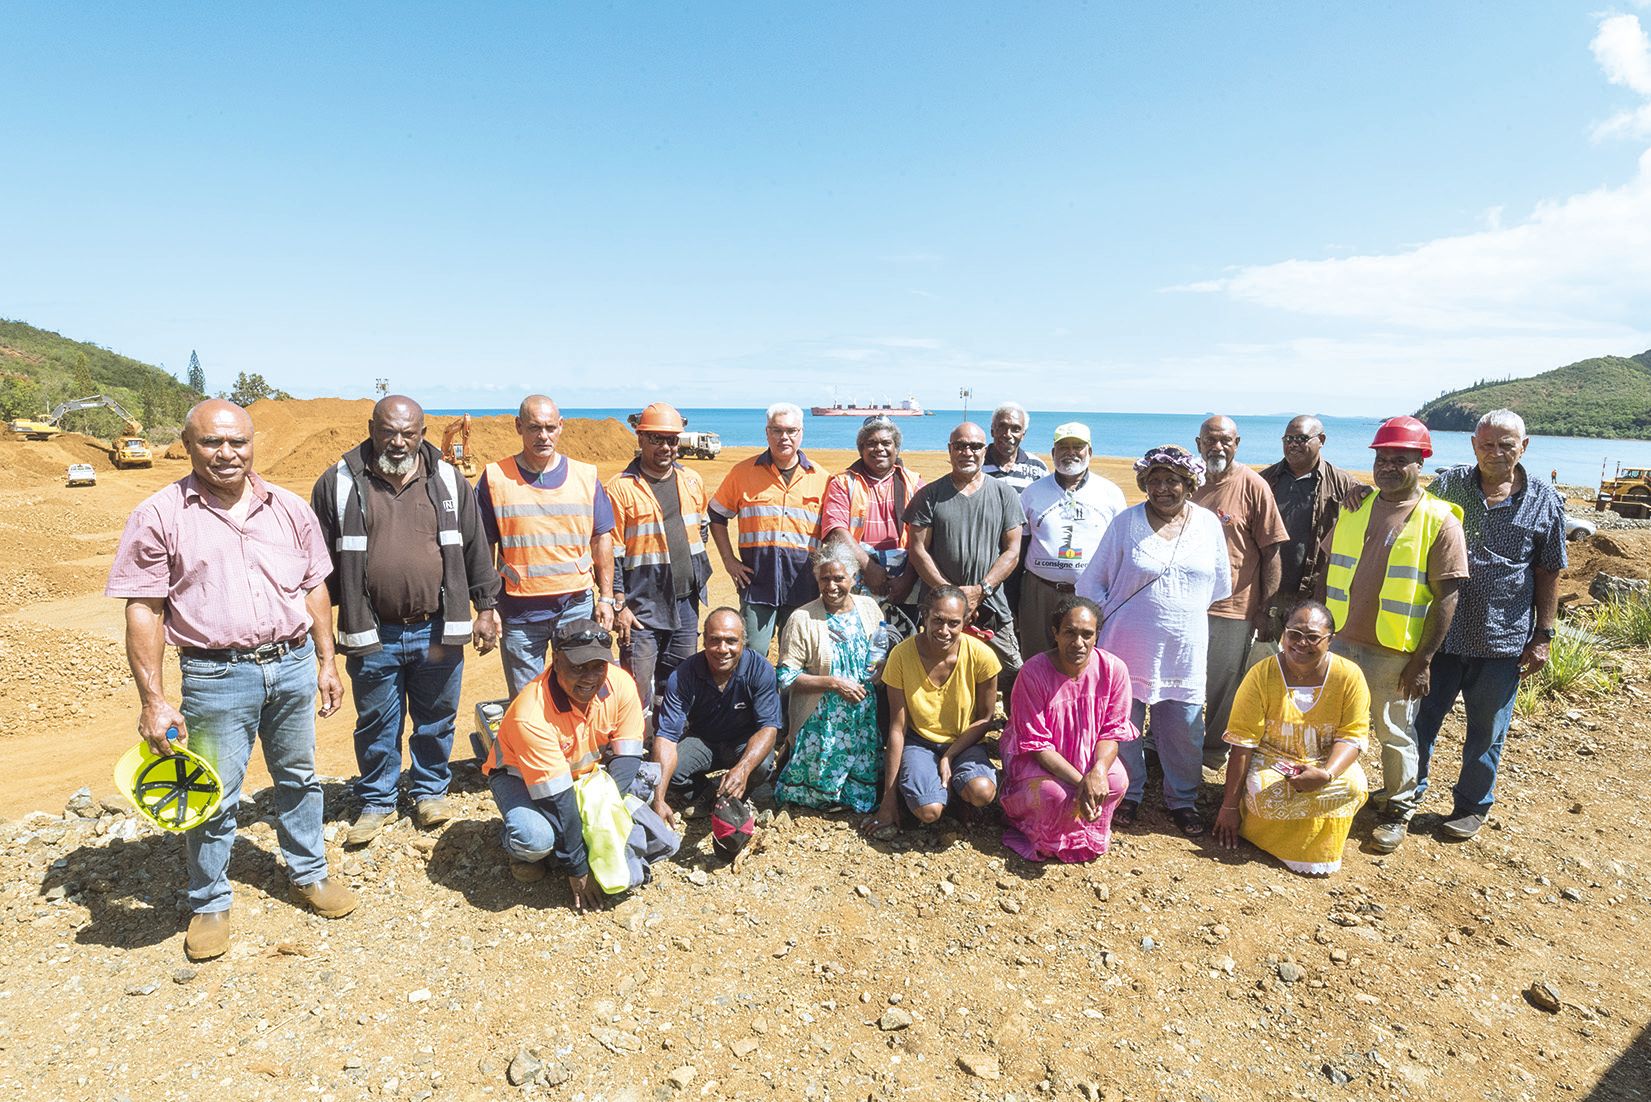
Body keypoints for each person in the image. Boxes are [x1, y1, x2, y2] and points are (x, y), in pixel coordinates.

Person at [106, 399, 356, 961]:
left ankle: (310, 873)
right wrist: (153, 700)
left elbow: (314, 587)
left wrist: (326, 661)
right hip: (216, 674)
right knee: (212, 792)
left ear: (252, 443)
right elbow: (144, 609)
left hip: (292, 663)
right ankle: (210, 902)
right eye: (211, 442)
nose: (226, 453)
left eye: (237, 442)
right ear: (187, 446)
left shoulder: (289, 508)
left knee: (299, 778)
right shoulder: (159, 515)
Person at [311, 395, 502, 845]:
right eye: (388, 432)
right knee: (377, 720)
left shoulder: (449, 481)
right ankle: (377, 800)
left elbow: (475, 548)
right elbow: (316, 563)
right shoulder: (338, 482)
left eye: (408, 433)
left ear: (422, 434)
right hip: (372, 629)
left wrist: (486, 607)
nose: (398, 442)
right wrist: (318, 633)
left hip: (436, 628)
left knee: (436, 716)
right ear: (371, 429)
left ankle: (430, 790)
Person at [1413, 410, 1566, 840]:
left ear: (1524, 446)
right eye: (1487, 444)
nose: (1495, 452)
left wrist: (1543, 636)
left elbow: (1549, 570)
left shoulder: (1544, 499)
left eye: (1506, 445)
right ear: (1473, 446)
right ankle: (1407, 792)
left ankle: (1471, 805)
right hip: (1441, 635)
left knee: (1487, 731)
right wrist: (1354, 493)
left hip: (1502, 640)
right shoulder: (1448, 487)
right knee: (1421, 721)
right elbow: (1409, 517)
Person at [1322, 416, 1468, 853]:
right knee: (1334, 723)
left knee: (1394, 733)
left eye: (1399, 460)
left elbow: (1446, 598)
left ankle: (1398, 807)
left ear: (1420, 463)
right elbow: (1329, 568)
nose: (1388, 467)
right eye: (1382, 459)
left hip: (1394, 651)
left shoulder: (1440, 519)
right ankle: (1333, 790)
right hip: (1340, 641)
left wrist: (1423, 660)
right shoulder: (1356, 506)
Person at [1078, 445, 1231, 836]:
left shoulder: (1208, 524)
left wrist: (1178, 612)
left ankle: (1183, 799)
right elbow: (1092, 581)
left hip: (1184, 649)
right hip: (1125, 643)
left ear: (1189, 484)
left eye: (1172, 480)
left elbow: (1218, 586)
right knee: (1123, 724)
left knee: (1184, 728)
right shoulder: (1125, 523)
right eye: (1155, 480)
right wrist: (1109, 619)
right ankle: (1128, 793)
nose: (1162, 488)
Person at [479, 618, 647, 905]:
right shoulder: (532, 714)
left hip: (580, 776)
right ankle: (515, 845)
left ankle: (568, 835)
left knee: (641, 792)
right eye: (578, 667)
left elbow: (628, 756)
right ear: (556, 662)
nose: (590, 677)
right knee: (536, 839)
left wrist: (602, 810)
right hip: (522, 779)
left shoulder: (620, 683)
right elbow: (556, 797)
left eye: (598, 666)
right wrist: (578, 866)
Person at [1213, 601, 1371, 875]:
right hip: (1273, 761)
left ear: (1330, 640)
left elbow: (1353, 735)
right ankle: (1264, 836)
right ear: (1283, 634)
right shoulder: (1262, 674)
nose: (1301, 643)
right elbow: (1242, 743)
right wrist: (1229, 807)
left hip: (1323, 762)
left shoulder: (1349, 676)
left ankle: (1317, 848)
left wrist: (1326, 774)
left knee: (1354, 787)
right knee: (1262, 792)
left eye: (1313, 637)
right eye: (1294, 634)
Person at [478, 395, 618, 698]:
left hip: (575, 606)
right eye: (534, 428)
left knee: (579, 692)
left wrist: (606, 598)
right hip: (519, 615)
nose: (543, 436)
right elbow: (484, 547)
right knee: (528, 699)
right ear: (519, 426)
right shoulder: (495, 478)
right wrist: (488, 607)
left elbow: (601, 539)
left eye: (550, 428)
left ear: (561, 426)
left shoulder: (585, 476)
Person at [999, 596, 1137, 862]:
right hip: (1039, 757)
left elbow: (1111, 732)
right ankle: (1037, 832)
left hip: (1089, 754)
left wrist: (1098, 771)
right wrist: (1082, 783)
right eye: (1069, 633)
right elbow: (1036, 744)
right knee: (1052, 794)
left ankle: (1087, 834)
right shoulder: (1033, 672)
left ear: (1097, 635)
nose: (1078, 642)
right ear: (1055, 633)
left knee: (1116, 782)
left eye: (1087, 634)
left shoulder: (1114, 670)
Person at [1190, 415, 1289, 770]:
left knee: (1222, 683)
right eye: (1210, 440)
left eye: (1225, 440)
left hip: (1233, 607)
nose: (1217, 447)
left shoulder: (1253, 485)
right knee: (1179, 676)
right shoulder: (1188, 482)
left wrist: (1266, 608)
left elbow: (1272, 551)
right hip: (1186, 604)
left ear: (1237, 443)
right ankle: (1167, 742)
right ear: (1199, 444)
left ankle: (1212, 750)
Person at [607, 403, 714, 729]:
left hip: (685, 604)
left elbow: (701, 530)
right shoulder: (620, 488)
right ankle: (631, 744)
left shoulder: (692, 480)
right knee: (636, 683)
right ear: (640, 438)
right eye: (656, 439)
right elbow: (611, 553)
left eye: (671, 439)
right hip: (641, 608)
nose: (665, 447)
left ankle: (667, 739)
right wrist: (619, 604)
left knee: (678, 681)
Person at [871, 585, 1002, 830]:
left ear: (965, 621)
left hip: (965, 741)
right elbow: (897, 729)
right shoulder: (901, 656)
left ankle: (955, 791)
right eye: (938, 620)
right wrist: (888, 801)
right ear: (925, 616)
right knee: (928, 812)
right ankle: (937, 793)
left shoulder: (982, 656)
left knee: (982, 792)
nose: (944, 630)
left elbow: (985, 719)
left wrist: (949, 756)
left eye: (953, 623)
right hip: (919, 741)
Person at [710, 403, 830, 660]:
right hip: (757, 584)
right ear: (767, 432)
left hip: (804, 586)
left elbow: (834, 531)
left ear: (801, 433)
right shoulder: (742, 473)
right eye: (777, 430)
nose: (784, 437)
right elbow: (716, 514)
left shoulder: (822, 478)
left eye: (791, 431)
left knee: (797, 657)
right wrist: (729, 561)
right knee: (752, 655)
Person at [905, 422, 1025, 679]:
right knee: (936, 672)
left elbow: (1012, 551)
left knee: (1012, 672)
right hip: (938, 608)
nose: (967, 452)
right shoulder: (928, 496)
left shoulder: (1005, 495)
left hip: (991, 605)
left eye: (975, 446)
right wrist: (952, 596)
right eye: (960, 446)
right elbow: (917, 550)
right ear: (950, 450)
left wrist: (982, 590)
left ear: (985, 450)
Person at [772, 545, 885, 811]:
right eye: (825, 579)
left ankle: (852, 798)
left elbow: (881, 650)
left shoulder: (869, 608)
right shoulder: (802, 618)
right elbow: (786, 676)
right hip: (820, 719)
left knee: (861, 781)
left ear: (854, 578)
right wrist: (834, 683)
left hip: (862, 716)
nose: (831, 586)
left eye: (839, 578)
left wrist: (881, 669)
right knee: (812, 789)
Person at [650, 608, 782, 821]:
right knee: (669, 773)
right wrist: (658, 798)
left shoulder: (760, 669)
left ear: (743, 642)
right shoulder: (684, 675)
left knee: (762, 766)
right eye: (715, 640)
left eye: (731, 641)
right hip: (703, 740)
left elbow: (769, 728)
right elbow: (666, 737)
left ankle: (739, 794)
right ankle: (709, 793)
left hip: (743, 742)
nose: (722, 649)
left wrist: (743, 768)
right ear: (704, 641)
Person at [1017, 422, 1126, 656]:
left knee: (1083, 657)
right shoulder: (1032, 492)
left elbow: (1119, 551)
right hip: (1040, 592)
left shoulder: (1110, 493)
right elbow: (1020, 547)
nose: (1071, 452)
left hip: (1090, 592)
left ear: (1090, 452)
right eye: (1063, 447)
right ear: (1053, 452)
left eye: (1078, 446)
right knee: (1036, 658)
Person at [1258, 416, 1361, 634]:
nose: (1293, 444)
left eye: (1301, 438)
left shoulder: (1343, 483)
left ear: (1321, 440)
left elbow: (1370, 507)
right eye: (1288, 439)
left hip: (1316, 594)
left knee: (1308, 651)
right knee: (1266, 652)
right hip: (1271, 593)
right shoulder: (1265, 480)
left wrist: (1364, 492)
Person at [820, 414, 923, 608]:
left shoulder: (914, 482)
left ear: (896, 448)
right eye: (871, 443)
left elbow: (924, 537)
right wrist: (869, 567)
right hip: (857, 573)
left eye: (886, 443)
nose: (879, 449)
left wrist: (907, 580)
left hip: (906, 577)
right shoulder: (843, 482)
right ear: (861, 449)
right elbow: (836, 530)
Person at [982, 401, 1049, 615]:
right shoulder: (977, 462)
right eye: (1002, 427)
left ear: (1024, 434)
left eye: (1015, 428)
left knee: (1016, 615)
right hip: (983, 554)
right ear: (992, 430)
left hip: (1023, 558)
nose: (1008, 434)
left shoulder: (1037, 468)